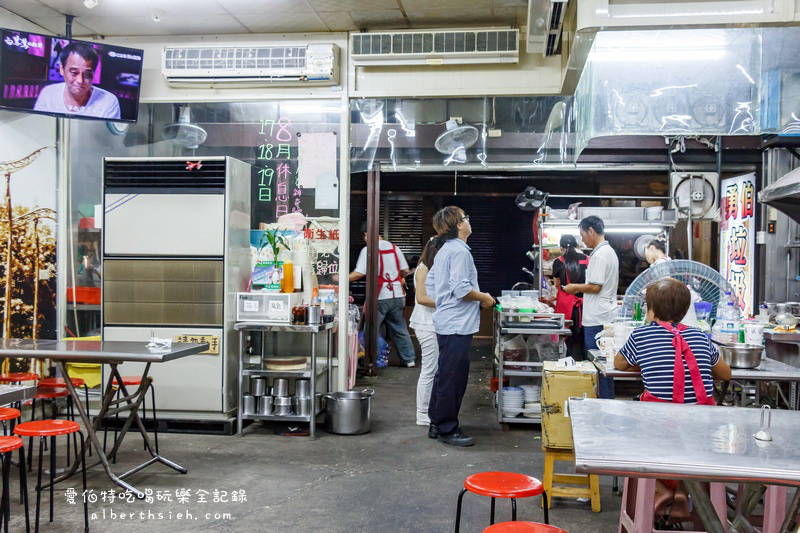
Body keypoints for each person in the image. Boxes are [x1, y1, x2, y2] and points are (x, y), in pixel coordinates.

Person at [614, 278, 731, 527]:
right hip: (702, 428)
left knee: (633, 433)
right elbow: (725, 374)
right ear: (685, 311)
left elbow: (619, 364)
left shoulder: (641, 335)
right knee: (691, 439)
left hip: (657, 426)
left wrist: (647, 364)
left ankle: (662, 489)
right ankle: (687, 491)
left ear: (652, 311)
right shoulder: (700, 336)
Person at [426, 206, 494, 447]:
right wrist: (484, 297)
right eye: (466, 217)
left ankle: (437, 423)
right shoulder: (459, 252)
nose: (469, 220)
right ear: (458, 225)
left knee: (445, 374)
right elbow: (462, 290)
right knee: (453, 378)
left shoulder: (447, 250)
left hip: (449, 321)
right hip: (456, 324)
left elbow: (431, 282)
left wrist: (444, 301)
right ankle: (448, 428)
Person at [563, 215, 619, 398]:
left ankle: (603, 404)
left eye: (582, 234)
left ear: (591, 231)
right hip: (605, 315)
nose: (582, 239)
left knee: (598, 366)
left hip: (597, 319)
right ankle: (607, 401)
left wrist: (574, 288)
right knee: (605, 367)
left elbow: (595, 286)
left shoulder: (599, 255)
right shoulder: (609, 252)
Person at [349, 222, 417, 367]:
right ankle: (409, 359)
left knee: (371, 330)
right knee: (399, 328)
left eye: (365, 236)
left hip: (380, 296)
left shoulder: (368, 249)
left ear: (368, 235)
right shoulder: (394, 248)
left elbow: (359, 273)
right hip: (397, 295)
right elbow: (405, 270)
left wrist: (341, 278)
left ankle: (370, 360)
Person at [34, 42, 121, 119]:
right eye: (74, 72)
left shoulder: (108, 101)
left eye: (87, 74)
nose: (80, 80)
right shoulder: (48, 94)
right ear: (61, 69)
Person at [410, 236, 445, 427]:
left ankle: (430, 409)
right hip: (425, 323)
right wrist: (448, 302)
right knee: (429, 370)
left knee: (434, 369)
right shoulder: (423, 268)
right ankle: (422, 412)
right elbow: (422, 298)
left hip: (434, 322)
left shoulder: (434, 268)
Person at [552, 234, 589, 359]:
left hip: (566, 308)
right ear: (577, 246)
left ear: (562, 248)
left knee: (567, 338)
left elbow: (557, 284)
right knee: (584, 338)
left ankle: (568, 365)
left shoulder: (558, 262)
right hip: (585, 306)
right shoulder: (587, 259)